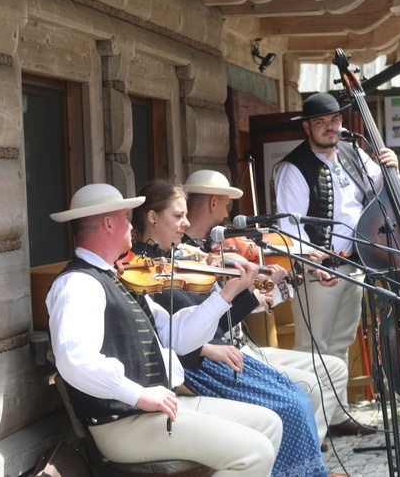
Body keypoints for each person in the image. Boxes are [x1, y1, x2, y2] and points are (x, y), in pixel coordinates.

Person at [47, 183, 282, 475]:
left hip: (155, 409)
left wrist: (225, 296)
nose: (131, 225)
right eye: (125, 216)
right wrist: (137, 394)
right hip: (122, 425)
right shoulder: (77, 283)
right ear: (107, 223)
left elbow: (178, 336)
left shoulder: (119, 276)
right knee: (254, 453)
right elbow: (75, 359)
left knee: (269, 423)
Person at [130, 179, 328, 477]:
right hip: (193, 368)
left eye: (185, 216)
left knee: (296, 396)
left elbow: (215, 319)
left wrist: (244, 290)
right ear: (152, 217)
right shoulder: (137, 270)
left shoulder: (182, 257)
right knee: (292, 407)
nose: (185, 224)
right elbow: (149, 335)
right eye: (177, 216)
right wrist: (206, 346)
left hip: (215, 357)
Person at [181, 169, 352, 446]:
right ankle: (303, 453)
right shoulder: (187, 256)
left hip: (241, 346)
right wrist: (261, 288)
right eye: (226, 204)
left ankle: (309, 452)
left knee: (333, 368)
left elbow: (257, 300)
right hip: (222, 353)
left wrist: (294, 274)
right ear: (213, 202)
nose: (228, 212)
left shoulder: (221, 245)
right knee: (310, 388)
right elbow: (224, 310)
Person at [274, 92, 398, 436]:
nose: (330, 127)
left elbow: (381, 187)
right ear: (306, 127)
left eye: (335, 120)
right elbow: (291, 228)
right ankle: (310, 429)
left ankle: (335, 415)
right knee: (312, 347)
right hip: (319, 270)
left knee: (341, 341)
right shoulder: (292, 168)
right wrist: (316, 265)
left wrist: (391, 165)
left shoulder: (353, 151)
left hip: (354, 263)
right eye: (320, 122)